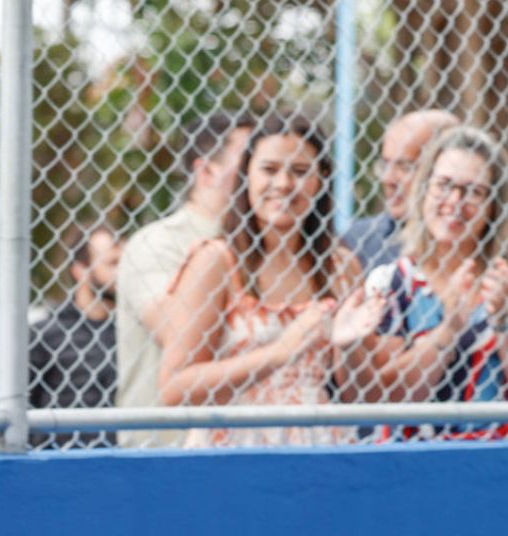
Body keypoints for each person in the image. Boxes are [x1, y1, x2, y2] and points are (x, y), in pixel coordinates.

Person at [156, 115, 383, 447]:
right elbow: (174, 388)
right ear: (246, 177)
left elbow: (362, 395)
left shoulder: (340, 264)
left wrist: (348, 349)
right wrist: (279, 353)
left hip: (318, 443)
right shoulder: (216, 261)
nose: (285, 184)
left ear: (321, 180)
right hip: (233, 444)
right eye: (270, 169)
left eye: (301, 171)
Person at [115, 113, 253, 448]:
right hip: (163, 450)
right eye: (250, 160)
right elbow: (181, 335)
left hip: (245, 444)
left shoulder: (268, 248)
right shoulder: (157, 244)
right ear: (206, 171)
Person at [362, 125, 508, 440]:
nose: (455, 201)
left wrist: (502, 325)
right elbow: (383, 395)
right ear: (424, 189)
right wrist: (448, 331)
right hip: (410, 464)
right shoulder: (393, 282)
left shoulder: (502, 282)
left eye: (474, 191)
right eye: (444, 184)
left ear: (492, 206)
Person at [28, 223, 121, 449]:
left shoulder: (133, 333)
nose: (124, 272)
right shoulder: (46, 334)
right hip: (60, 466)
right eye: (113, 263)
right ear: (81, 271)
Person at [343, 110, 461, 273]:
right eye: (385, 165)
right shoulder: (359, 240)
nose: (387, 179)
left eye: (405, 167)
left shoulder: (475, 241)